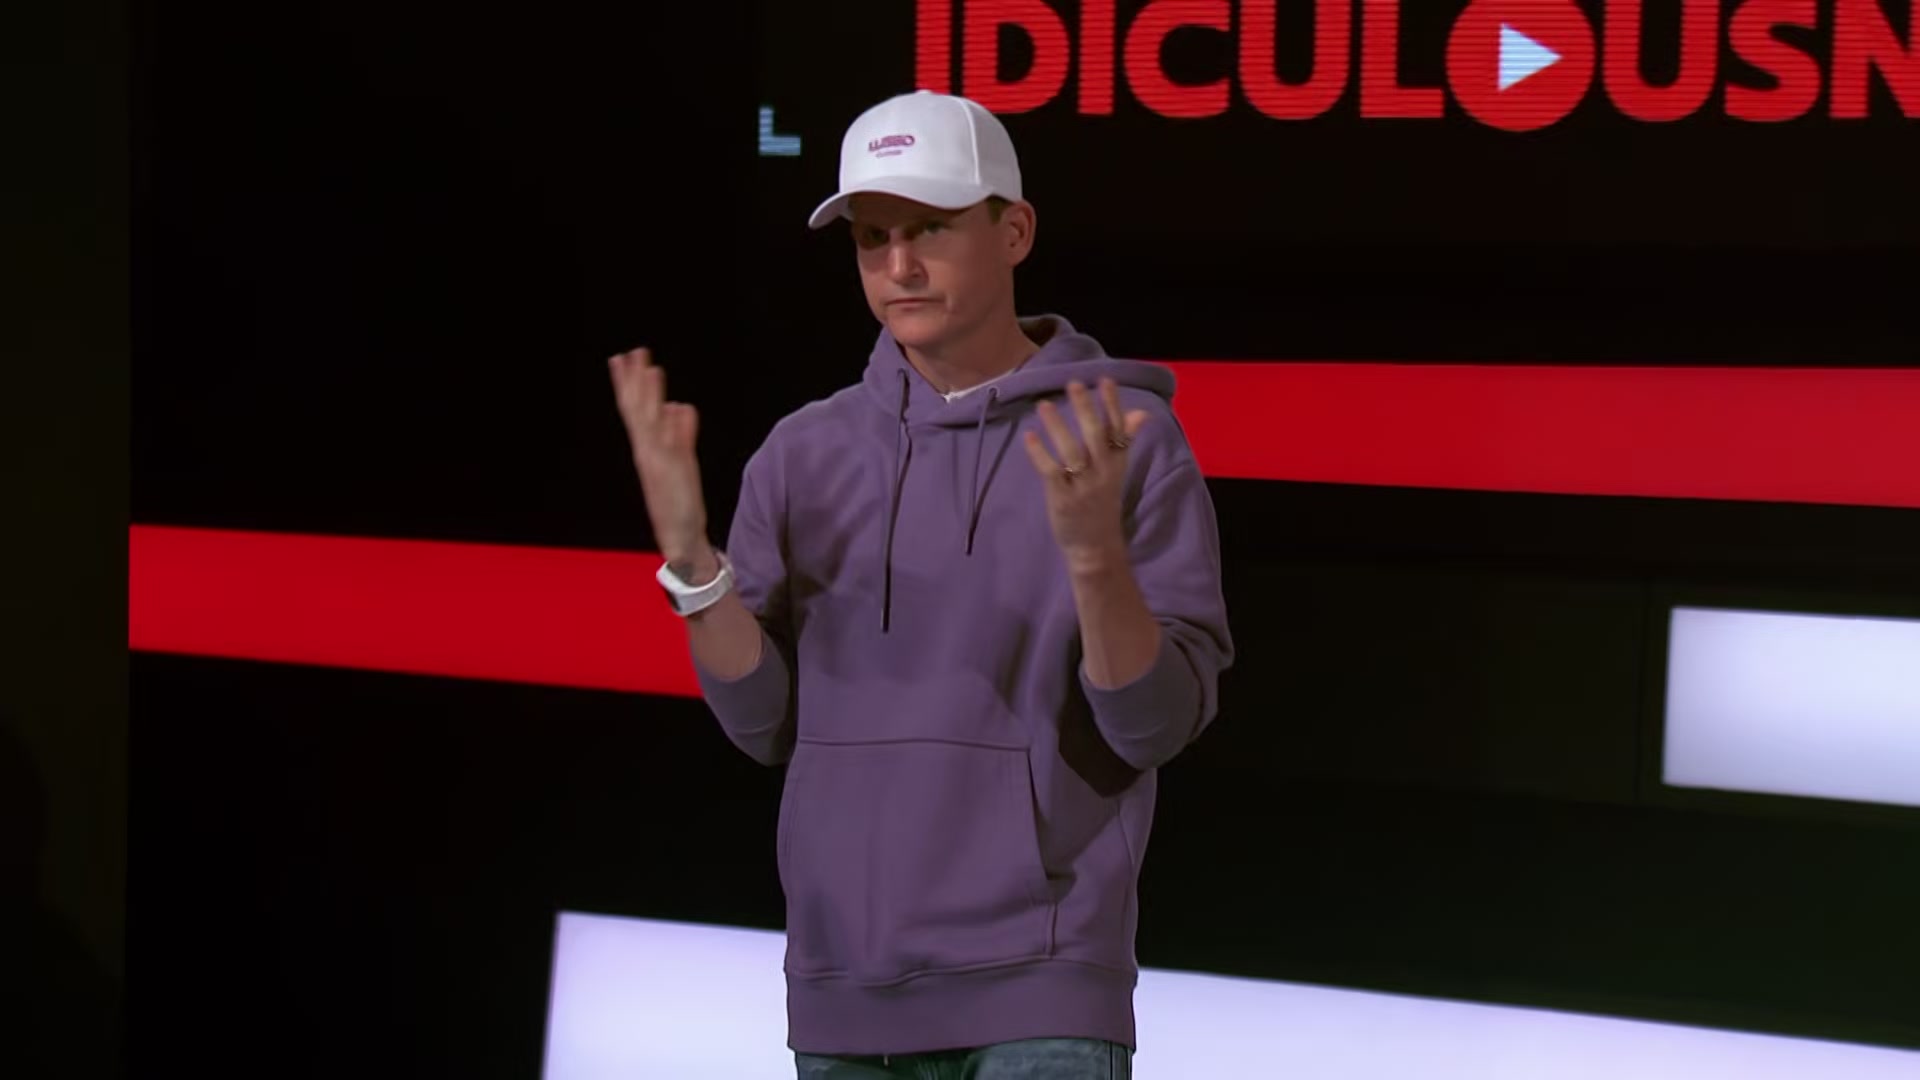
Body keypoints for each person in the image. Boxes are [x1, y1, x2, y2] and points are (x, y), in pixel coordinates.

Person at [609, 90, 1234, 1078]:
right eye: (873, 237)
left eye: (930, 228)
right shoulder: (801, 455)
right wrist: (693, 565)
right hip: (844, 997)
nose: (898, 266)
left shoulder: (1122, 439)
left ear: (1014, 230)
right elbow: (763, 725)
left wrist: (1093, 560)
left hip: (1043, 988)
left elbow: (1153, 726)